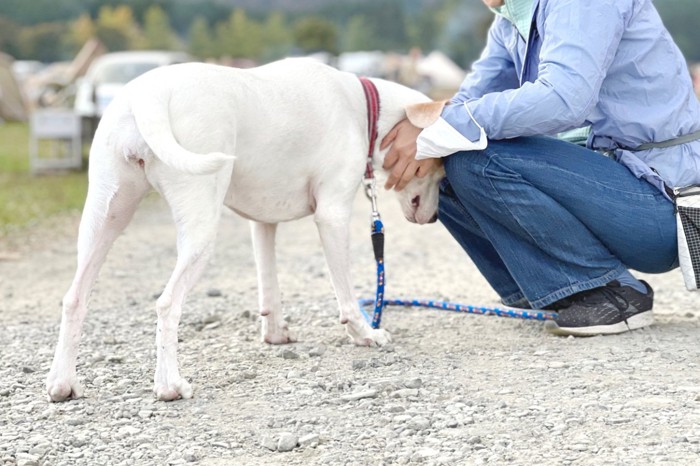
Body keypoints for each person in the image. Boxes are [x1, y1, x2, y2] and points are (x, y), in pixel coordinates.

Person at [381, 0, 700, 336]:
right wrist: (426, 134)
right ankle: (557, 291)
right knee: (445, 155)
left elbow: (564, 99)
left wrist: (438, 127)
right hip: (618, 192)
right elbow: (468, 102)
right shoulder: (511, 21)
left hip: (667, 204)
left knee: (471, 156)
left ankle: (609, 294)